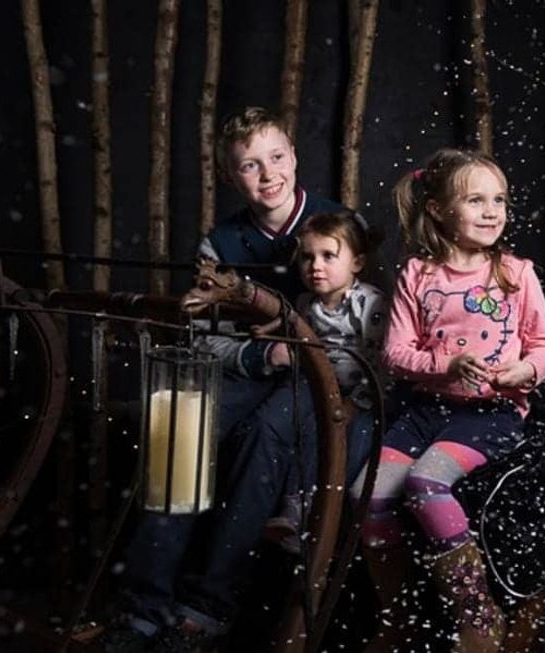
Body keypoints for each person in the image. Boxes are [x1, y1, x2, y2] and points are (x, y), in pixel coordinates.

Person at [101, 107, 352, 652]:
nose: (268, 175)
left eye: (276, 157)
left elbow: (364, 319)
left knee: (265, 438)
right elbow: (204, 337)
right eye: (249, 166)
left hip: (317, 381)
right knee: (181, 432)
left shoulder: (337, 225)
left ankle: (206, 608)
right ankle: (143, 607)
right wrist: (263, 358)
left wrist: (308, 358)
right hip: (252, 370)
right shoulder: (220, 245)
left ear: (294, 154)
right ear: (229, 176)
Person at [348, 148, 545, 653]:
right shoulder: (418, 275)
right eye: (476, 200)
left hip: (490, 412)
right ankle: (398, 613)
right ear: (440, 210)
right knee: (366, 494)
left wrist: (524, 370)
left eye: (500, 200)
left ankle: (477, 614)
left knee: (425, 483)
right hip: (426, 412)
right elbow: (397, 353)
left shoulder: (514, 273)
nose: (493, 211)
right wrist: (446, 365)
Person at [263, 210, 388, 553]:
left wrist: (356, 401)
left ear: (357, 262)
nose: (315, 266)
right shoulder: (305, 304)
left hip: (361, 394)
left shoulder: (370, 302)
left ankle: (325, 516)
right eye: (307, 257)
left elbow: (381, 364)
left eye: (328, 256)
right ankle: (293, 507)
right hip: (318, 386)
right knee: (300, 431)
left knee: (355, 442)